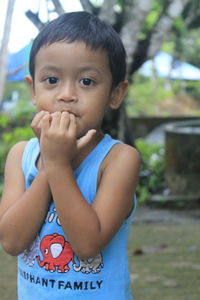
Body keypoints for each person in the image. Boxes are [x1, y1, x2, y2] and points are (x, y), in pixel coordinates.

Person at [0, 11, 140, 300]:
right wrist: (51, 163)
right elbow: (11, 241)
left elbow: (88, 245)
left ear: (115, 93)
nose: (66, 95)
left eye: (87, 82)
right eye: (51, 79)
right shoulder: (21, 155)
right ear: (33, 90)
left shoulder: (118, 160)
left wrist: (57, 163)